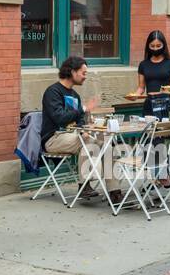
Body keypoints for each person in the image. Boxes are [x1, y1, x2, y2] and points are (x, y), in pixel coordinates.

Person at [41, 56, 122, 202]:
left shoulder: (75, 95)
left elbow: (80, 122)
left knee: (106, 142)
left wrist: (87, 126)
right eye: (83, 73)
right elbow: (59, 117)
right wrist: (84, 108)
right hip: (54, 138)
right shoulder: (52, 92)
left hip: (74, 136)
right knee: (86, 140)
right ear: (72, 72)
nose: (85, 77)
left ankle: (114, 191)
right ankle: (84, 185)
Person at [135, 30, 170, 118]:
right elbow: (141, 88)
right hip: (149, 104)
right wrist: (135, 95)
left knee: (165, 130)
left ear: (164, 45)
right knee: (149, 130)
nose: (155, 49)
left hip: (166, 104)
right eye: (152, 46)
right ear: (148, 46)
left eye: (158, 46)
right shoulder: (143, 64)